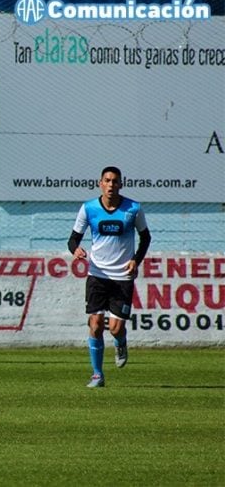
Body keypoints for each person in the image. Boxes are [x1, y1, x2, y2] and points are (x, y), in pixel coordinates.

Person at [68, 166, 151, 388]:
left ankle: (120, 342)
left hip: (123, 277)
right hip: (97, 274)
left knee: (115, 328)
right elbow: (73, 239)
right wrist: (75, 250)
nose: (111, 185)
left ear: (121, 184)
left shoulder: (133, 208)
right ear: (100, 183)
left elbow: (145, 238)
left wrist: (136, 260)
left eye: (115, 181)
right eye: (107, 180)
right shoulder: (88, 208)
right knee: (95, 324)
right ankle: (97, 374)